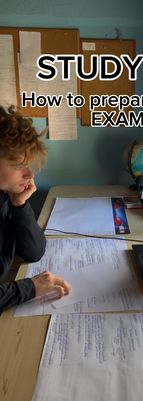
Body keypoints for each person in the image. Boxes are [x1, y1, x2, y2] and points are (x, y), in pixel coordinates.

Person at [0, 105, 71, 312]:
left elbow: (34, 251)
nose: (30, 175)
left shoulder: (5, 196)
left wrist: (19, 204)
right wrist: (30, 288)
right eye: (19, 165)